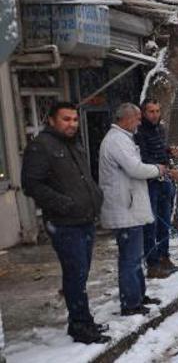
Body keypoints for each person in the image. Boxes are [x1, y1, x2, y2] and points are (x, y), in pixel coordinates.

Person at [21, 102, 111, 344]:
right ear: (51, 120)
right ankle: (80, 325)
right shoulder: (41, 147)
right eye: (66, 119)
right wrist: (64, 204)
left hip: (85, 220)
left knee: (80, 275)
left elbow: (84, 178)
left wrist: (95, 195)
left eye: (74, 119)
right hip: (64, 224)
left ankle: (83, 320)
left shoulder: (74, 144)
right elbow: (32, 185)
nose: (72, 123)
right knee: (75, 274)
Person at [99, 103, 168, 316]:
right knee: (130, 258)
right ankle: (131, 303)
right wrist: (158, 169)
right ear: (127, 119)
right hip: (124, 208)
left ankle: (138, 295)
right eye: (137, 119)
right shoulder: (117, 141)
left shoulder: (123, 139)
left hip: (130, 207)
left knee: (134, 256)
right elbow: (135, 168)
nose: (140, 123)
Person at [134, 99, 178, 279]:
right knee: (151, 224)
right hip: (150, 183)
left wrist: (170, 151)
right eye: (151, 111)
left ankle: (164, 257)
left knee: (165, 222)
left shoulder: (160, 129)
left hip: (164, 181)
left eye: (157, 111)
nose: (155, 115)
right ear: (143, 113)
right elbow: (144, 159)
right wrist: (167, 170)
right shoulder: (139, 132)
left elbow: (160, 151)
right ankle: (152, 263)